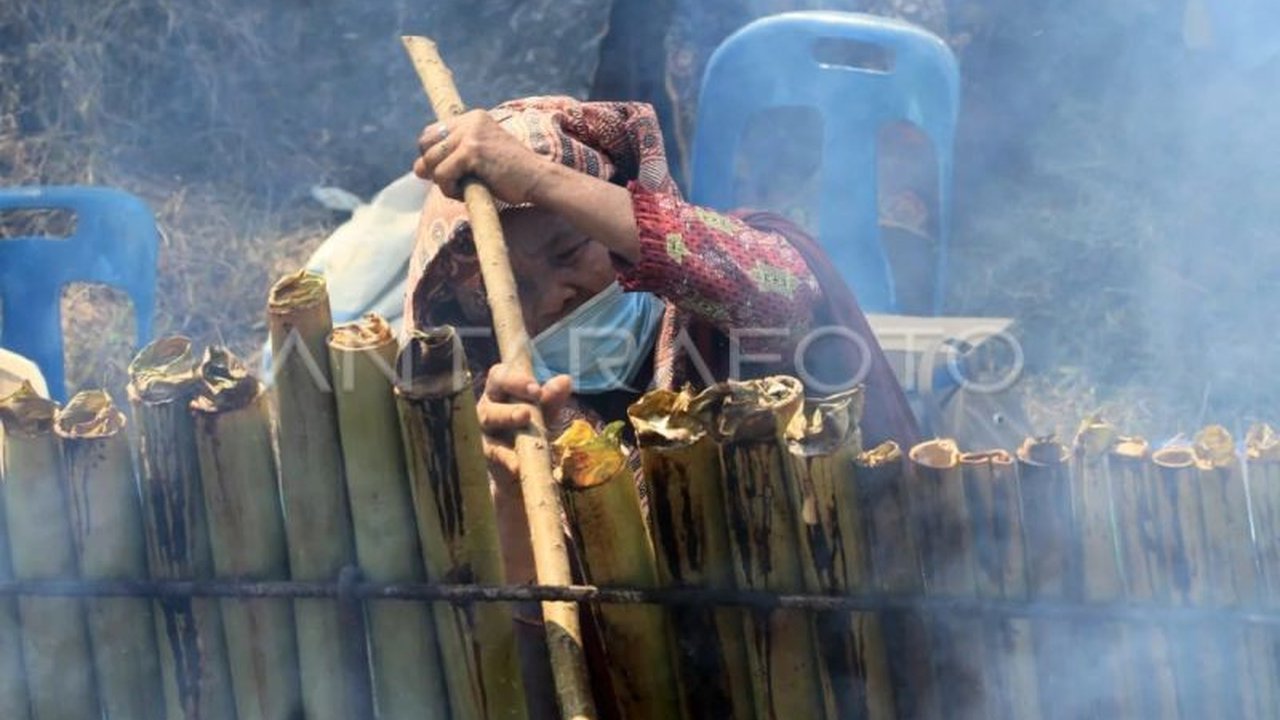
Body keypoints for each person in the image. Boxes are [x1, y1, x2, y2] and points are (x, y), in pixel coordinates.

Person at [406, 95, 919, 715]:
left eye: (570, 253)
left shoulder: (741, 264)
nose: (554, 300)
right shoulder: (521, 408)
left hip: (864, 672)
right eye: (514, 289)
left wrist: (539, 178)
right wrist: (512, 491)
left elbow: (780, 291)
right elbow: (533, 646)